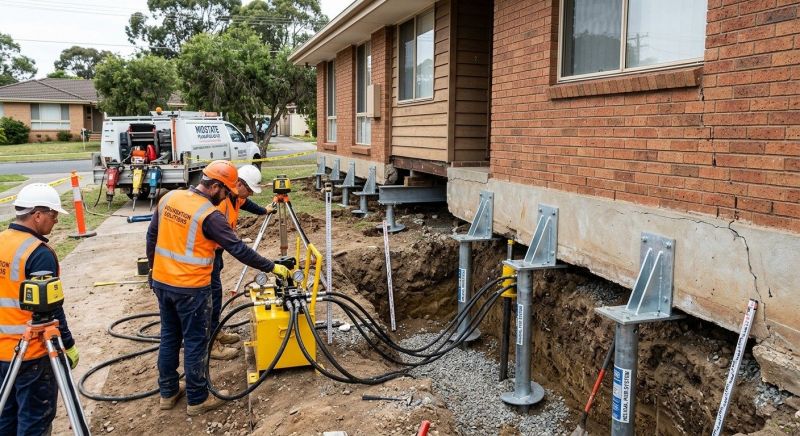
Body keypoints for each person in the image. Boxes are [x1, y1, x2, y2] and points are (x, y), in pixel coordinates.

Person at [146, 160, 289, 416]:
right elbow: (238, 249)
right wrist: (271, 267)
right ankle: (197, 399)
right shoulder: (209, 215)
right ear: (214, 186)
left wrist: (151, 270)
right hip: (191, 289)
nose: (227, 197)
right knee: (194, 342)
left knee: (169, 337)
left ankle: (167, 393)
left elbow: (152, 236)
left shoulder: (170, 198)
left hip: (162, 282)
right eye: (226, 191)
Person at [0, 183, 78, 436]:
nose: (54, 222)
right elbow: (53, 308)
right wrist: (67, 343)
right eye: (53, 216)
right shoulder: (38, 253)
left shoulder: (2, 241)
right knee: (34, 420)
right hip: (31, 351)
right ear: (37, 215)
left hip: (2, 353)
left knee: (6, 416)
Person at [210, 164, 273, 360]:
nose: (250, 195)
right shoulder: (220, 204)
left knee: (215, 294)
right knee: (209, 299)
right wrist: (269, 266)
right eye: (249, 190)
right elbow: (235, 248)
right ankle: (211, 344)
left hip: (216, 254)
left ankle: (216, 332)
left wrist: (264, 211)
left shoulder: (236, 197)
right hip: (207, 255)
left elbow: (247, 204)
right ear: (238, 184)